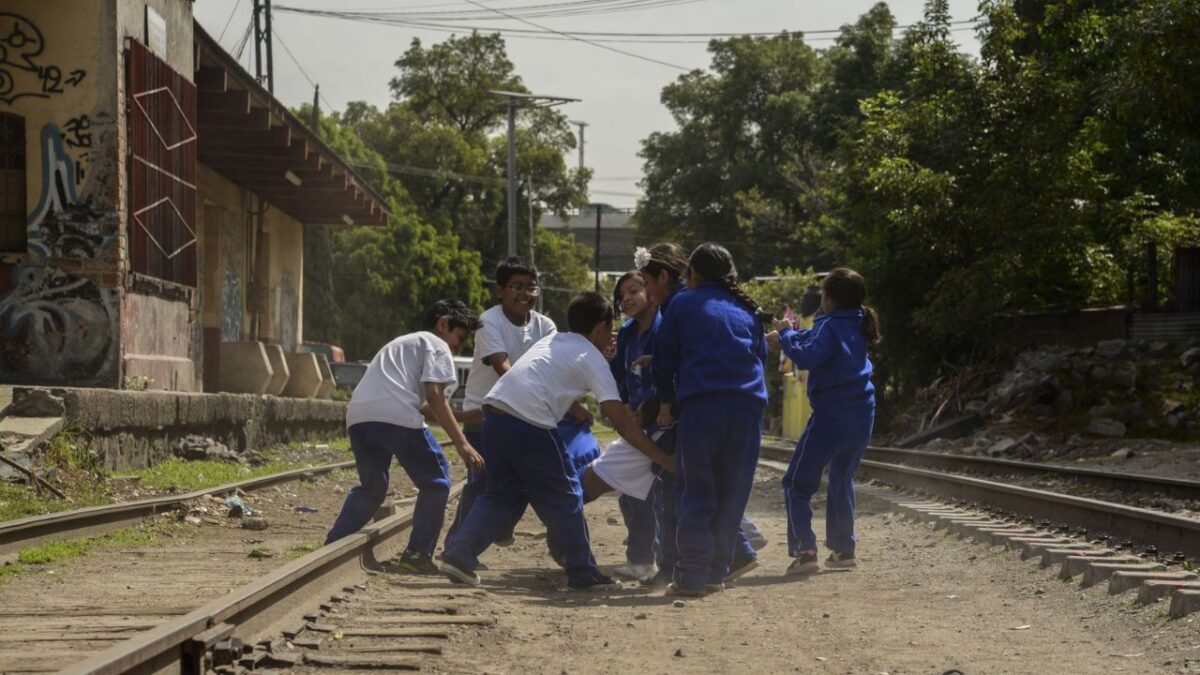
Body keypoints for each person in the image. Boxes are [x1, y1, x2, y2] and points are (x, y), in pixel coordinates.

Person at [440, 293, 675, 590]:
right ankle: (583, 573)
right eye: (610, 328)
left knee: (501, 494)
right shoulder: (592, 359)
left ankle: (459, 554)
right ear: (601, 328)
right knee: (567, 495)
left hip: (494, 416)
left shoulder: (552, 341)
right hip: (529, 422)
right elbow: (624, 424)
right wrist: (664, 459)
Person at [630, 243, 764, 588]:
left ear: (693, 275)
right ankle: (716, 575)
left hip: (703, 409)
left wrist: (664, 400)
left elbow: (664, 360)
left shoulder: (683, 304)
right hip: (748, 410)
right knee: (731, 495)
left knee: (697, 492)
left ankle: (691, 577)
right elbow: (758, 359)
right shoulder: (747, 309)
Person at [325, 300, 486, 575]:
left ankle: (333, 546)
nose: (459, 346)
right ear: (443, 324)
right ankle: (417, 554)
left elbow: (423, 405)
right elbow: (435, 397)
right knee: (436, 483)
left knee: (372, 489)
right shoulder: (436, 344)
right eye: (460, 337)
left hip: (360, 417)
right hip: (395, 416)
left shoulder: (403, 343)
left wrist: (461, 418)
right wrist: (463, 444)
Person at [767, 268, 879, 575]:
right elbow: (812, 339)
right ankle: (844, 550)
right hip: (863, 413)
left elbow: (808, 355)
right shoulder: (859, 322)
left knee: (796, 483)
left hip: (832, 414)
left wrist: (786, 334)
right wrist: (787, 333)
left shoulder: (828, 325)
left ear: (828, 299)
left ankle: (806, 551)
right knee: (842, 477)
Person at [444, 257, 558, 550]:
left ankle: (498, 528)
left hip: (526, 418)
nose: (525, 294)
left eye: (531, 287)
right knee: (481, 484)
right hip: (486, 417)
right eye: (516, 287)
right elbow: (503, 368)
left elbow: (553, 369)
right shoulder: (489, 321)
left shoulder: (546, 326)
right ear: (500, 291)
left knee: (522, 481)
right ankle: (456, 544)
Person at [580, 271, 661, 582]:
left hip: (659, 420)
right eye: (621, 295)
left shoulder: (664, 326)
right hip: (639, 422)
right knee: (638, 492)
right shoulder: (627, 334)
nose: (626, 299)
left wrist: (651, 406)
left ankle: (739, 542)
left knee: (652, 491)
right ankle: (643, 559)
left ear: (652, 291)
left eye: (634, 290)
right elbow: (616, 376)